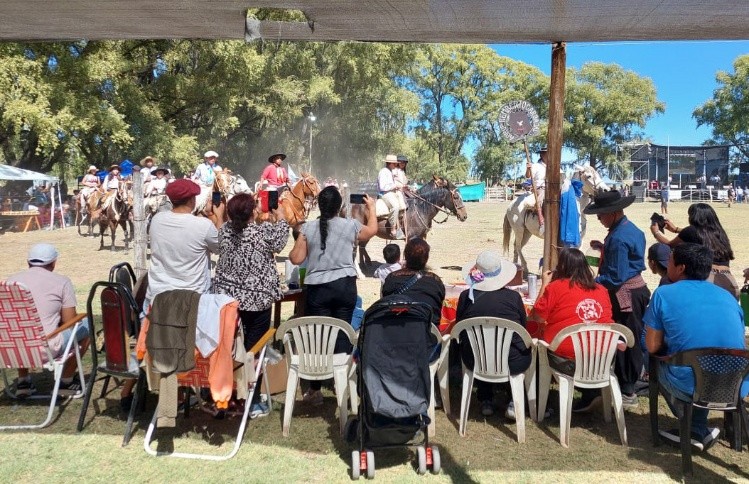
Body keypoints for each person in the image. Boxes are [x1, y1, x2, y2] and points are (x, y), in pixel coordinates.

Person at [644, 243, 749, 451]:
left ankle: (692, 428)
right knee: (701, 363)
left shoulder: (664, 294)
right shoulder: (727, 297)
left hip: (692, 383)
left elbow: (653, 346)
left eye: (670, 260)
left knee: (657, 358)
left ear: (681, 268)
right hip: (736, 383)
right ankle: (698, 428)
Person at [288, 186, 378, 405]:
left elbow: (296, 258)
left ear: (320, 206)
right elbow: (372, 230)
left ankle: (315, 389)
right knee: (342, 333)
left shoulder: (309, 228)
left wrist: (301, 238)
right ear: (339, 207)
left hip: (318, 289)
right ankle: (342, 382)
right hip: (344, 286)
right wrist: (372, 208)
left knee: (318, 336)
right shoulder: (350, 225)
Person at [213, 193, 290, 418]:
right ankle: (252, 401)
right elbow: (280, 241)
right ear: (253, 212)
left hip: (227, 301)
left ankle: (226, 395)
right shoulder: (262, 232)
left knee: (228, 349)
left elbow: (221, 233)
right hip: (257, 301)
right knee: (254, 351)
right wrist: (281, 216)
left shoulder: (224, 231)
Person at [583, 190, 650, 410]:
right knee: (630, 336)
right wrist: (604, 249)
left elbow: (616, 277)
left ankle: (627, 389)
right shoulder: (630, 230)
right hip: (636, 290)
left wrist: (592, 281)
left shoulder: (618, 238)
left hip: (625, 294)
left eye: (601, 214)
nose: (599, 218)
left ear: (612, 213)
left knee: (624, 339)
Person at [6, 243, 91, 396]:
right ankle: (66, 381)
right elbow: (69, 322)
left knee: (20, 329)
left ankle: (23, 380)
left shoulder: (10, 282)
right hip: (46, 348)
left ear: (28, 262)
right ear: (53, 263)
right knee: (88, 325)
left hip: (11, 349)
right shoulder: (62, 282)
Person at [456, 250, 531, 418]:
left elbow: (460, 328)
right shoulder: (513, 297)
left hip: (475, 360)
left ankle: (486, 399)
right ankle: (513, 399)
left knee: (479, 346)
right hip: (512, 361)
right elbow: (523, 327)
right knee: (512, 347)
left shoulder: (465, 297)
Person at [531, 247, 614, 361]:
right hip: (601, 357)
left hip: (565, 357)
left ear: (562, 267)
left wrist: (545, 283)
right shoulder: (602, 290)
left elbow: (538, 317)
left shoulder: (556, 287)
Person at [650, 202, 739, 299]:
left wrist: (656, 232)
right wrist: (676, 229)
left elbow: (669, 245)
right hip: (728, 279)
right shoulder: (720, 232)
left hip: (708, 278)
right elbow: (701, 233)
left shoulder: (691, 231)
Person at [381, 238, 445, 326]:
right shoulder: (435, 281)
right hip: (426, 331)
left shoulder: (391, 279)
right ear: (426, 258)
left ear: (405, 256)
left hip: (395, 329)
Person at [377, 154, 403, 239]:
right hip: (385, 194)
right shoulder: (383, 172)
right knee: (395, 206)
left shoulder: (390, 171)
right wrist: (395, 186)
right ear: (390, 163)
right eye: (395, 164)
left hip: (391, 193)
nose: (396, 165)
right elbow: (383, 187)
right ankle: (393, 228)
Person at [525, 146, 547, 226]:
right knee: (541, 200)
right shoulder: (536, 166)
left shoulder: (553, 165)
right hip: (540, 188)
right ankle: (541, 221)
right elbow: (528, 176)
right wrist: (528, 169)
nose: (548, 155)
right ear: (542, 155)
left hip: (553, 188)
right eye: (546, 154)